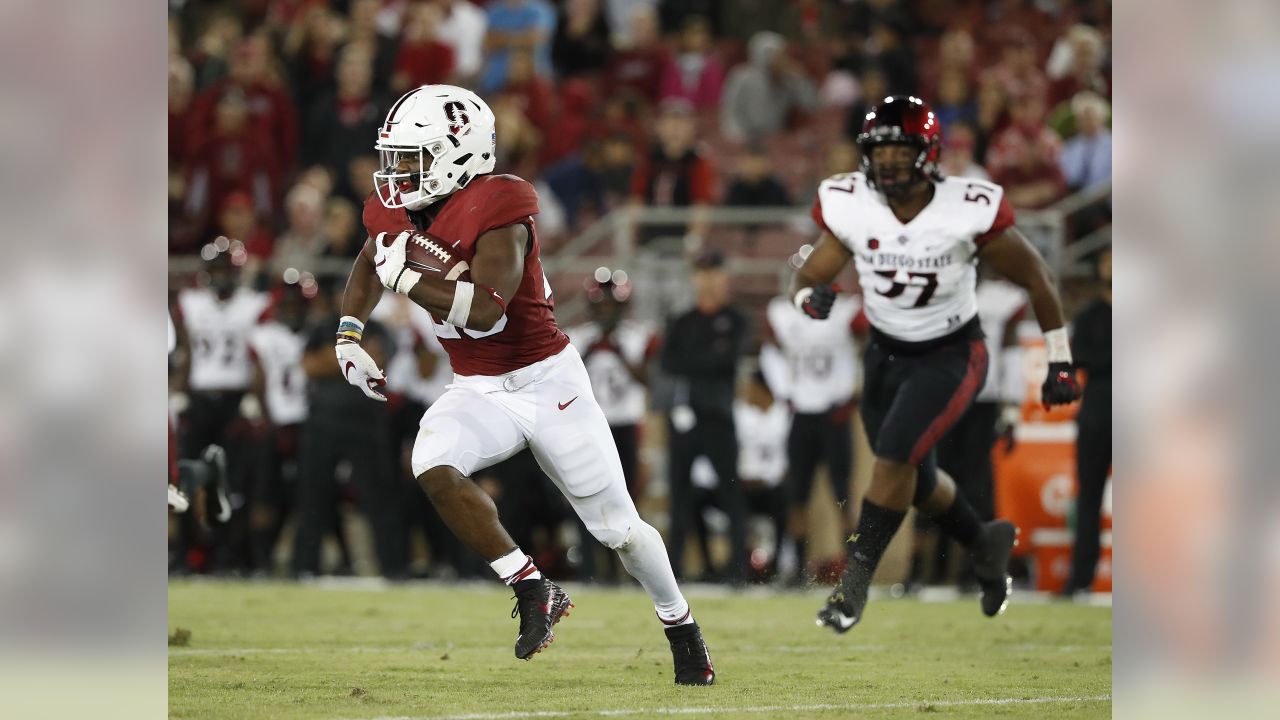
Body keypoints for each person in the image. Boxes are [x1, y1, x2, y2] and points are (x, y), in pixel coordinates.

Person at [333, 85, 714, 684]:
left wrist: (406, 279)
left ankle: (682, 627)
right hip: (477, 385)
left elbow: (485, 310)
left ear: (458, 154)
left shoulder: (502, 205)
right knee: (431, 463)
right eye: (396, 158)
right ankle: (533, 587)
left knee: (619, 529)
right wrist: (349, 334)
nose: (398, 173)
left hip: (547, 384)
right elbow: (371, 257)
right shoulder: (401, 209)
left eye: (413, 158)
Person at [795, 96, 1081, 633]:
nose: (889, 164)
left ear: (929, 153)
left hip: (951, 352)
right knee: (915, 475)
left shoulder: (965, 209)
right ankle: (984, 540)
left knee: (896, 459)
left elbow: (1037, 277)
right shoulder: (850, 203)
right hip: (883, 354)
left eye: (901, 152)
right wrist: (808, 300)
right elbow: (809, 277)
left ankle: (853, 586)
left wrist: (1059, 362)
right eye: (880, 153)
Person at [761, 288, 865, 584]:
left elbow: (866, 337)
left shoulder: (845, 309)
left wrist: (852, 384)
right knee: (797, 495)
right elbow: (768, 349)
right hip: (803, 414)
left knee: (843, 493)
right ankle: (796, 568)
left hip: (835, 414)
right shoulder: (784, 313)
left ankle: (854, 567)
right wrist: (786, 392)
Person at [660, 248, 751, 585]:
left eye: (714, 273)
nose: (708, 280)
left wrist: (698, 358)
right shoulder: (683, 320)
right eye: (702, 273)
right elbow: (669, 362)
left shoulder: (736, 319)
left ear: (724, 277)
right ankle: (673, 571)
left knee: (731, 493)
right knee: (678, 495)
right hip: (685, 418)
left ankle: (738, 570)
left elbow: (727, 360)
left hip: (718, 416)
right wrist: (709, 355)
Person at [565, 268, 656, 581]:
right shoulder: (578, 339)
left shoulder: (637, 336)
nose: (606, 312)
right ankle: (591, 570)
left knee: (627, 504)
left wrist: (619, 354)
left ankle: (628, 574)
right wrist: (588, 356)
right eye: (601, 306)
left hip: (625, 426)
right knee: (587, 500)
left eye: (611, 306)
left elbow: (650, 380)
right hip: (590, 429)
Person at [1062, 246, 1111, 595]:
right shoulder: (1091, 314)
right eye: (1108, 260)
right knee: (1088, 496)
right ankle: (1081, 578)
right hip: (1097, 411)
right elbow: (1079, 356)